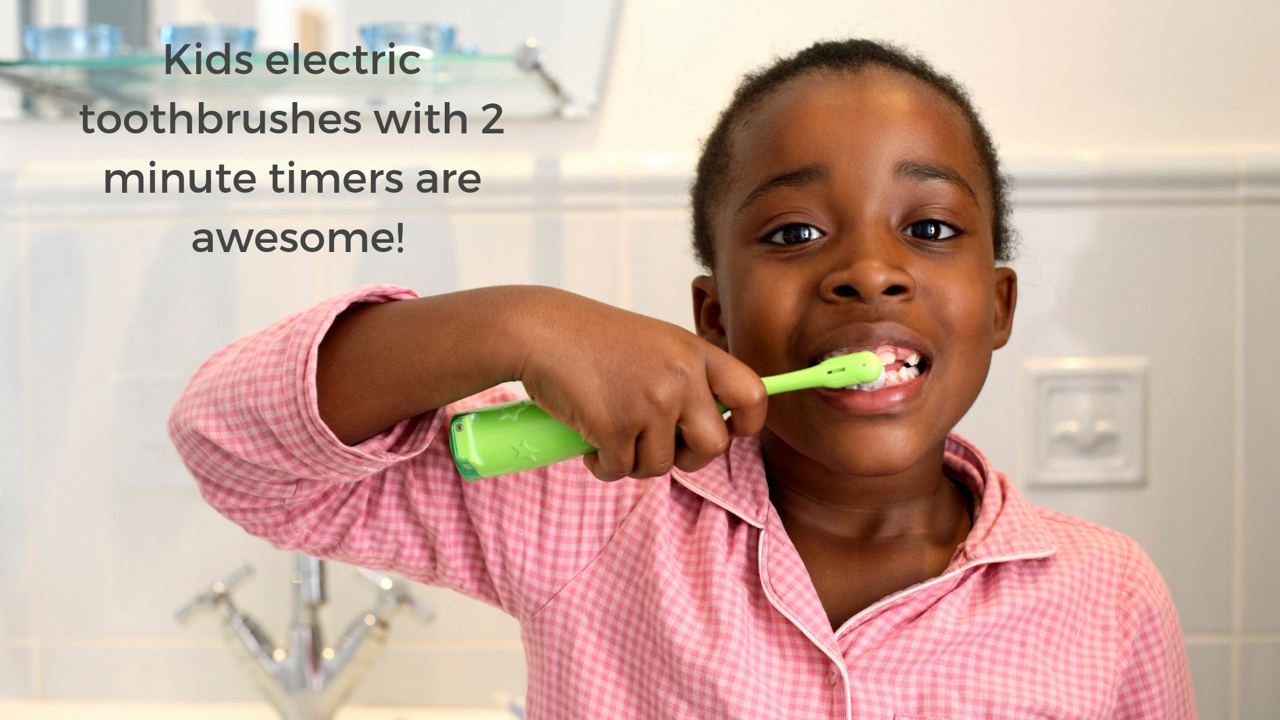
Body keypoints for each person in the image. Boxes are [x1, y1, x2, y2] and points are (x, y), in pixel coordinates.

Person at [169, 39, 1196, 718]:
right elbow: (232, 450)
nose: (869, 269)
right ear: (714, 317)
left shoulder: (1103, 596)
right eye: (794, 233)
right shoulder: (595, 502)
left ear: (1000, 307)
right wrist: (517, 322)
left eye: (928, 229)